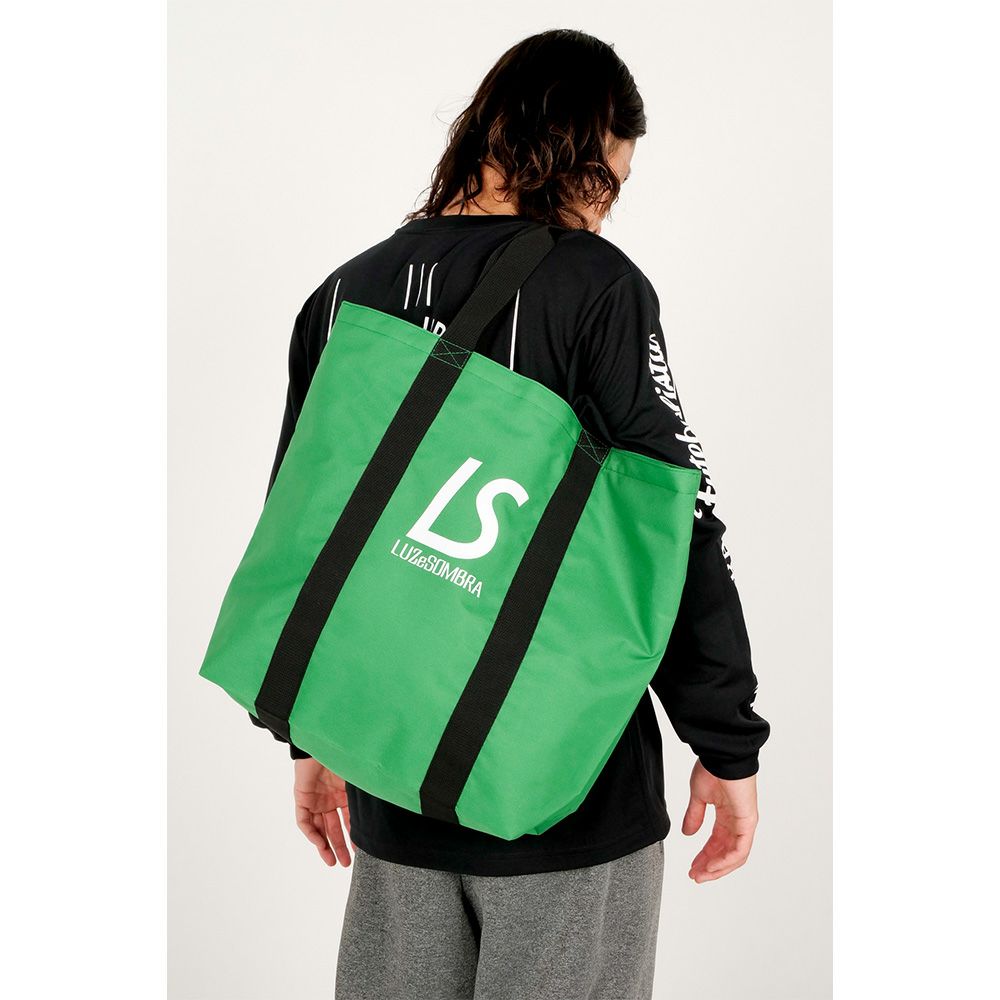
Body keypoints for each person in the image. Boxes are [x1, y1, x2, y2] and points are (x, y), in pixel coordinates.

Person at [250, 28, 770, 1000]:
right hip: (568, 794)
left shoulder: (345, 295)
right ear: (573, 154)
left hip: (395, 777)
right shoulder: (596, 289)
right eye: (611, 181)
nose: (606, 210)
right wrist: (726, 739)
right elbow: (676, 524)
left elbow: (307, 528)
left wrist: (313, 734)